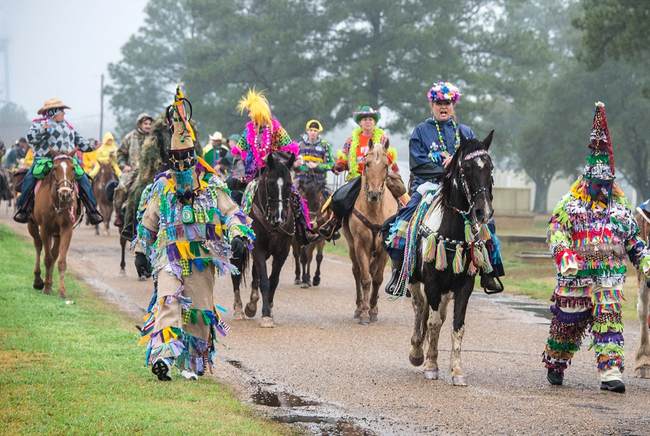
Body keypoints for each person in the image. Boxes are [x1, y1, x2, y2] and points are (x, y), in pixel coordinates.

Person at [137, 87, 254, 381]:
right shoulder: (163, 186)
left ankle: (194, 363)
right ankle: (162, 356)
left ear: (194, 154)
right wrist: (140, 249)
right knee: (167, 300)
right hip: (169, 255)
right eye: (175, 158)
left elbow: (232, 212)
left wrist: (239, 234)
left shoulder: (213, 185)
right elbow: (149, 220)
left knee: (200, 313)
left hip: (202, 257)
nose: (181, 163)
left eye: (186, 156)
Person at [542, 102, 650, 393]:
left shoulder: (621, 211)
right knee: (566, 329)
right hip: (575, 279)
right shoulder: (570, 204)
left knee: (609, 324)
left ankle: (610, 372)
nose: (602, 189)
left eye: (607, 183)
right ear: (586, 180)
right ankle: (556, 361)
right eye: (597, 183)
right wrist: (564, 253)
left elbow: (634, 242)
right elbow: (556, 230)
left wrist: (646, 262)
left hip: (609, 281)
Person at [382, 82, 504, 295]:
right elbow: (417, 163)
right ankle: (400, 273)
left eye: (447, 102)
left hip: (460, 189)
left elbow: (474, 160)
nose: (443, 106)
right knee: (403, 220)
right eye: (438, 102)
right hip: (428, 186)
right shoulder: (421, 131)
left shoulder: (466, 131)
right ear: (432, 104)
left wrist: (456, 169)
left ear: (453, 104)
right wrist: (444, 168)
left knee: (487, 222)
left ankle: (489, 272)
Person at [231, 89, 316, 244]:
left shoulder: (276, 129)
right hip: (254, 174)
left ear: (258, 112)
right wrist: (239, 173)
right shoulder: (248, 130)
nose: (249, 115)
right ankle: (235, 233)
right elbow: (238, 152)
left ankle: (304, 231)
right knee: (235, 195)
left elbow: (290, 150)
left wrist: (271, 158)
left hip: (276, 171)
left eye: (251, 112)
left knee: (295, 197)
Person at [317, 105, 409, 240]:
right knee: (338, 197)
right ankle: (333, 223)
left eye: (371, 119)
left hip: (380, 176)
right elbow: (345, 159)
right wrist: (339, 166)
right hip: (358, 178)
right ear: (360, 123)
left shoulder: (382, 138)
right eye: (365, 119)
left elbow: (389, 158)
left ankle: (409, 220)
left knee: (401, 192)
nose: (368, 122)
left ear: (375, 122)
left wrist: (394, 171)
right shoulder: (351, 141)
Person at [13, 98, 103, 224]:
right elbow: (30, 138)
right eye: (61, 111)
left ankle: (92, 211)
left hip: (67, 160)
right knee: (29, 178)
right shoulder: (39, 124)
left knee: (84, 180)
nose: (64, 113)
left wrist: (93, 145)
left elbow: (80, 142)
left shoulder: (69, 126)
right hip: (45, 160)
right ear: (53, 111)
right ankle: (23, 209)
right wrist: (42, 130)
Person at [113, 113, 153, 226]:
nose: (148, 126)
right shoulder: (129, 137)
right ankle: (117, 215)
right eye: (145, 123)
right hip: (132, 171)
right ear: (140, 124)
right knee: (121, 188)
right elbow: (120, 153)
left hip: (151, 172)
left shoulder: (154, 138)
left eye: (150, 124)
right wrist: (123, 165)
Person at [294, 119, 335, 196]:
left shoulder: (325, 146)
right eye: (311, 130)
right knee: (289, 197)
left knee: (332, 200)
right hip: (300, 181)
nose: (313, 132)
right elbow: (291, 163)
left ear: (318, 132)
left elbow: (332, 164)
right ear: (307, 131)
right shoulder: (298, 145)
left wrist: (318, 166)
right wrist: (295, 164)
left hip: (319, 182)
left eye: (315, 131)